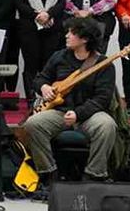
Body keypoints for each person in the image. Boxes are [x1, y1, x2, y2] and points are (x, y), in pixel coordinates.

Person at [23, 17, 119, 191]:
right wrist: (44, 87)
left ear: (85, 39)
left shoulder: (103, 64)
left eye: (72, 33)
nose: (66, 36)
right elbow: (40, 79)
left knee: (107, 125)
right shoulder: (59, 56)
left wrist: (78, 114)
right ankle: (48, 174)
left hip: (89, 114)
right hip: (59, 112)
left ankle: (94, 175)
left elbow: (102, 98)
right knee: (33, 123)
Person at [15, 0, 65, 98]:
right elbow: (19, 3)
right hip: (29, 29)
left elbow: (61, 2)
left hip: (51, 30)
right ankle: (31, 99)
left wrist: (49, 14)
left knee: (49, 65)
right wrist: (36, 15)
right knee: (30, 65)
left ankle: (47, 98)